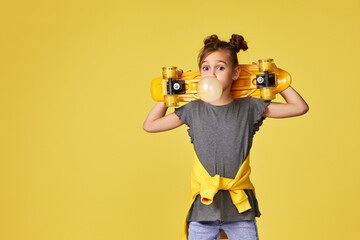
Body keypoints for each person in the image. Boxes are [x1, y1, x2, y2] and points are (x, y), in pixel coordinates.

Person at [143, 34, 309, 240]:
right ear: (199, 73)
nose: (212, 73)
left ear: (235, 72)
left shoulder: (249, 107)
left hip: (239, 210)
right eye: (206, 68)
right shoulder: (193, 110)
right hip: (203, 209)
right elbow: (150, 125)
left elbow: (299, 107)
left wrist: (277, 79)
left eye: (220, 67)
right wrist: (170, 89)